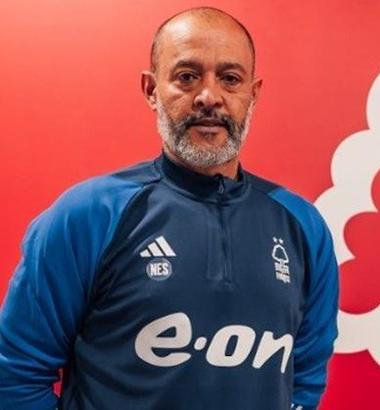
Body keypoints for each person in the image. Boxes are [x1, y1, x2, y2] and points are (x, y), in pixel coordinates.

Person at [0, 7, 339, 410]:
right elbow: (15, 376)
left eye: (230, 79)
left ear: (253, 94)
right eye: (187, 76)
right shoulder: (89, 216)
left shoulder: (303, 227)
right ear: (151, 89)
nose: (209, 97)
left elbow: (303, 382)